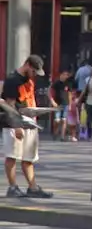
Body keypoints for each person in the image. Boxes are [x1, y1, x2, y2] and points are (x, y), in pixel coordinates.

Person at [2, 55, 50, 198]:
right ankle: (12, 187)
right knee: (12, 156)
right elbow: (9, 104)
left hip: (29, 121)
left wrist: (35, 116)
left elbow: (31, 99)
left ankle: (33, 187)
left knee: (29, 157)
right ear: (27, 65)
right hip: (13, 122)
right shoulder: (12, 80)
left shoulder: (29, 80)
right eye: (34, 71)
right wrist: (16, 126)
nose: (35, 75)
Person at [50, 70, 72, 141]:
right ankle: (55, 132)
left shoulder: (68, 84)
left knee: (64, 120)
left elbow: (69, 94)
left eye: (66, 75)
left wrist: (70, 104)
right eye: (64, 74)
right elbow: (50, 91)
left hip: (66, 103)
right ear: (60, 75)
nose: (65, 76)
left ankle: (62, 136)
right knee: (57, 120)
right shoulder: (56, 83)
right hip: (58, 103)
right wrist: (52, 101)